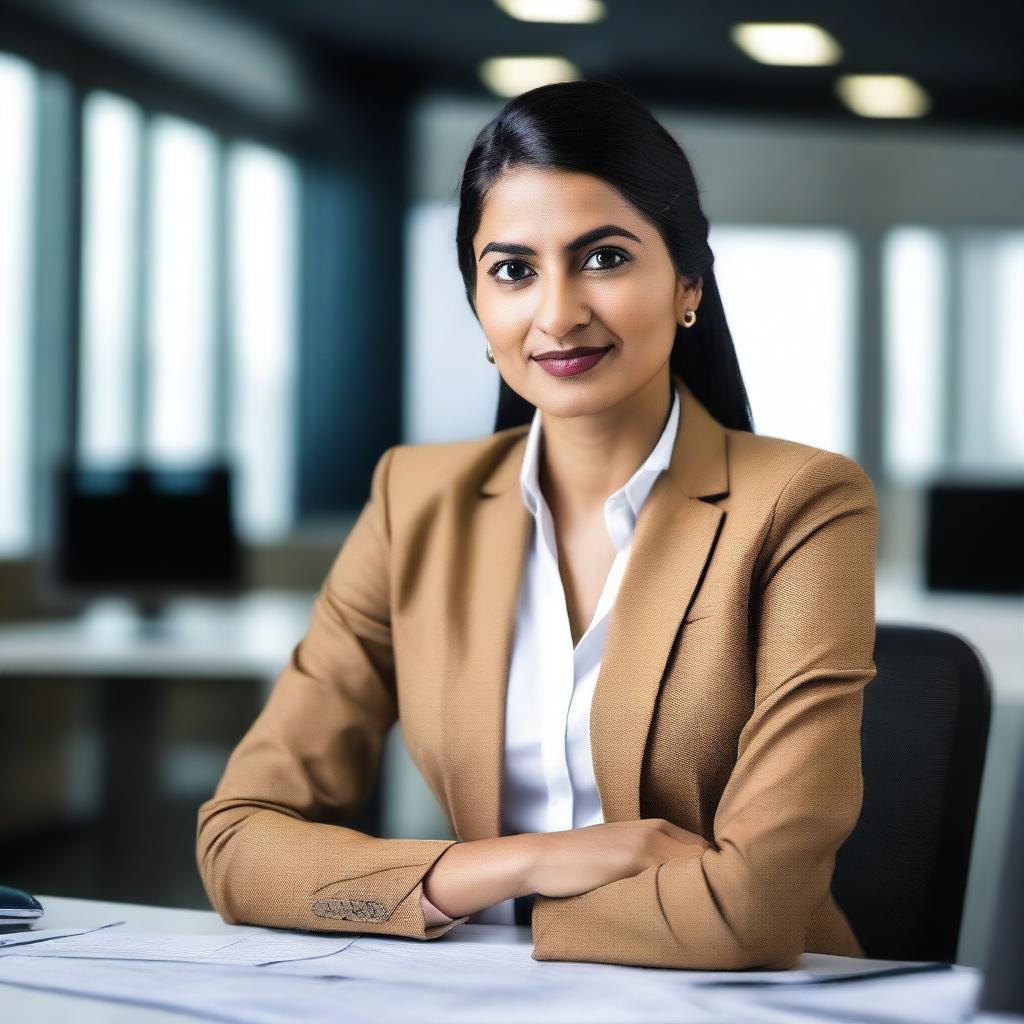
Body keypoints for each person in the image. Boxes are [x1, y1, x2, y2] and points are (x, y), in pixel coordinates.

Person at [196, 80, 878, 971]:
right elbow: (239, 846)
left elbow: (751, 910)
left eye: (603, 257)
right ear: (481, 307)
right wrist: (519, 866)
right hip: (499, 1000)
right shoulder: (415, 500)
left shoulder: (803, 503)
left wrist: (494, 913)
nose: (557, 314)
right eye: (513, 270)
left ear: (687, 283)